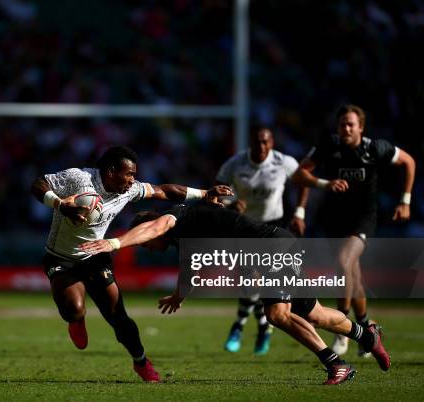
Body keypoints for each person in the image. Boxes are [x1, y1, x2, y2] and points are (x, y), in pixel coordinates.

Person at [79, 202, 391, 385]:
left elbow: (154, 229)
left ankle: (336, 364)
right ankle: (368, 336)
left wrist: (116, 243)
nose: (149, 247)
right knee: (314, 312)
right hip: (274, 245)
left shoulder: (174, 217)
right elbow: (189, 268)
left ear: (154, 227)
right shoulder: (182, 238)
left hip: (272, 246)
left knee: (276, 314)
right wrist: (179, 295)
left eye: (147, 242)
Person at [30, 145, 231, 383]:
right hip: (60, 257)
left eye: (134, 174)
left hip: (95, 255)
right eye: (129, 174)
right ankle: (77, 319)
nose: (133, 180)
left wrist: (204, 193)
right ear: (111, 171)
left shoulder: (129, 190)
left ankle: (141, 362)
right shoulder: (79, 177)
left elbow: (164, 191)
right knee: (73, 309)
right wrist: (60, 205)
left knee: (117, 315)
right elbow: (38, 183)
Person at [291, 104, 416, 357]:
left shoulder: (374, 148)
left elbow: (409, 162)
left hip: (364, 217)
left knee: (343, 261)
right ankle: (367, 331)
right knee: (353, 276)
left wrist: (405, 200)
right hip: (335, 218)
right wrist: (303, 208)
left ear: (361, 127)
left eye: (351, 124)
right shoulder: (329, 145)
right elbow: (300, 174)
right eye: (342, 125)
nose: (346, 128)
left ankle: (341, 328)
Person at [215, 126, 308, 355]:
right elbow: (216, 191)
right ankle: (263, 329)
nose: (261, 146)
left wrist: (300, 213)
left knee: (262, 283)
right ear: (251, 143)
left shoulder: (283, 162)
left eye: (265, 142)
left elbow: (304, 180)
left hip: (275, 228)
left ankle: (239, 327)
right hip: (245, 227)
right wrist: (230, 202)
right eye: (257, 142)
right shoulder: (236, 163)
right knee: (251, 283)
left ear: (272, 143)